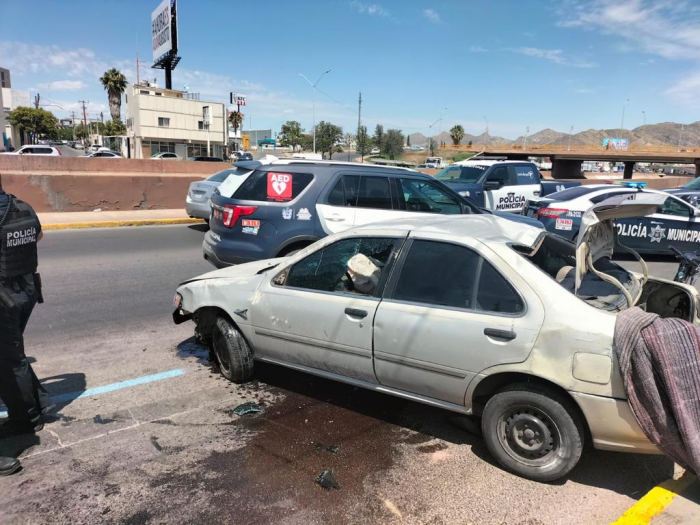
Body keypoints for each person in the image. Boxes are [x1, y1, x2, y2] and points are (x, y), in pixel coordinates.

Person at [0, 175, 49, 439]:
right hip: (27, 289)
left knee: (9, 359)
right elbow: (37, 235)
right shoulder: (21, 206)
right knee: (12, 352)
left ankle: (26, 420)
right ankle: (39, 402)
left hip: (5, 298)